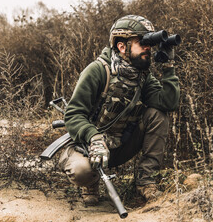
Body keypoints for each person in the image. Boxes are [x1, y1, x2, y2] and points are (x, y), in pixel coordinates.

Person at [59, 15, 180, 205]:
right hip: (90, 147)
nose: (148, 48)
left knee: (157, 115)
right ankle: (91, 182)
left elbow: (168, 103)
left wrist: (168, 67)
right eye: (143, 42)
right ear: (122, 46)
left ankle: (145, 181)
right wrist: (93, 137)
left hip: (121, 145)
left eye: (150, 42)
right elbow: (73, 115)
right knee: (82, 171)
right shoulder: (98, 71)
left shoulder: (142, 77)